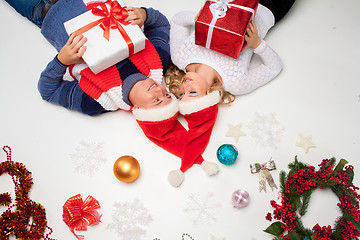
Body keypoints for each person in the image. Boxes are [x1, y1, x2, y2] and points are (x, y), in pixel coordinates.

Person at [4, 0, 220, 187]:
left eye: (156, 101)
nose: (160, 90)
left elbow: (48, 91)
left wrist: (62, 61)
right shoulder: (158, 61)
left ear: (140, 111)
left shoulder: (97, 100)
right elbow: (161, 24)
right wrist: (145, 15)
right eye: (167, 96)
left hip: (45, 11)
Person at [165, 0, 296, 103]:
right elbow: (274, 67)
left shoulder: (180, 58)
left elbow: (177, 21)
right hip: (269, 7)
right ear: (208, 95)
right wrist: (257, 43)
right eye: (192, 93)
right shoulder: (236, 83)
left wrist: (197, 18)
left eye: (181, 94)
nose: (185, 87)